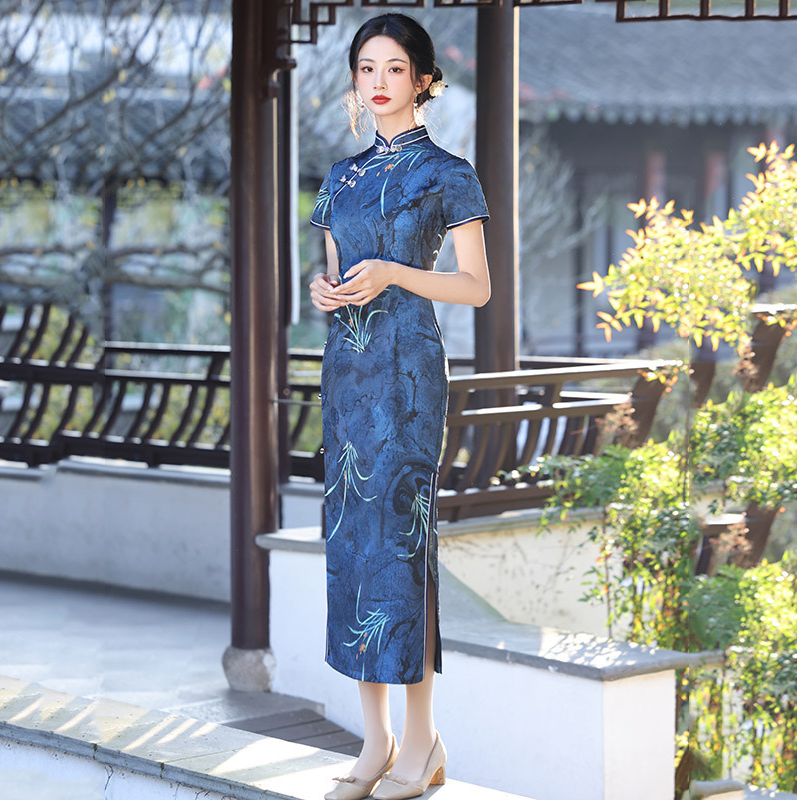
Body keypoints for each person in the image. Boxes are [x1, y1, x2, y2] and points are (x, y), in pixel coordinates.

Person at [308, 12, 491, 800]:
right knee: (352, 544)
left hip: (409, 376)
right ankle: (376, 739)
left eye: (393, 68)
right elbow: (335, 274)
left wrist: (392, 272)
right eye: (366, 68)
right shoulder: (340, 178)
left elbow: (475, 287)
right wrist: (324, 291)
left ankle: (422, 740)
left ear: (423, 80)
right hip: (347, 376)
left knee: (403, 546)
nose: (378, 81)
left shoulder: (450, 173)